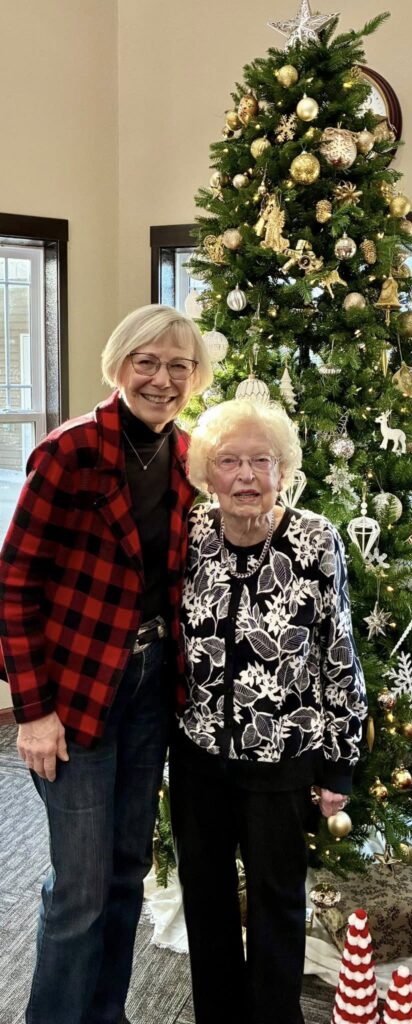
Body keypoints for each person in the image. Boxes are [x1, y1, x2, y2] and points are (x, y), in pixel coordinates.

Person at [0, 304, 213, 1024]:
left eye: (178, 365)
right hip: (76, 690)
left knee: (126, 873)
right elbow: (13, 584)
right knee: (80, 889)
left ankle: (105, 1015)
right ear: (119, 365)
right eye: (146, 362)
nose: (161, 378)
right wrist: (32, 712)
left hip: (152, 688)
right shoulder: (69, 452)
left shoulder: (188, 457)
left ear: (195, 377)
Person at [169, 398, 367, 1024]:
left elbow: (338, 650)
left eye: (262, 460)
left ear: (284, 470)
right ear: (207, 471)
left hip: (281, 758)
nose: (246, 476)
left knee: (280, 904)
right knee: (205, 902)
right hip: (198, 754)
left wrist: (338, 766)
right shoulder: (193, 533)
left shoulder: (314, 539)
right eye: (229, 461)